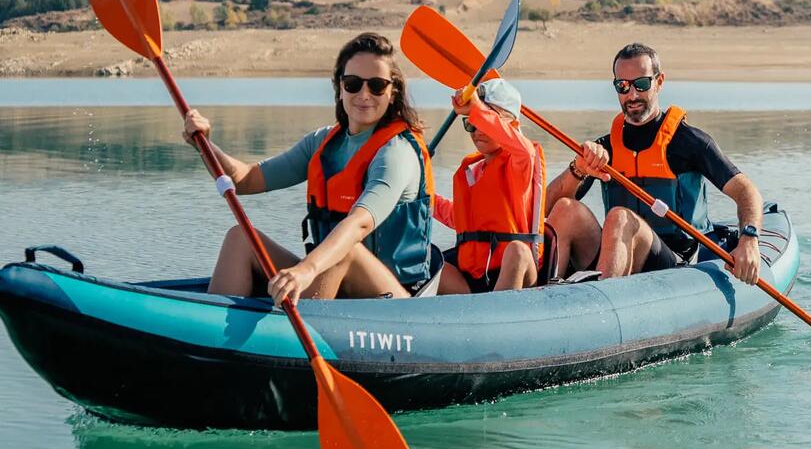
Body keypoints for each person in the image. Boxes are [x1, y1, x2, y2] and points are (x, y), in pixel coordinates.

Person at [184, 32, 436, 303]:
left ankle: (291, 332)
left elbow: (359, 224)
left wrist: (306, 270)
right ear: (339, 87)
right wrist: (205, 146)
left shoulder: (396, 153)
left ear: (392, 91)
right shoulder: (322, 143)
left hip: (394, 301)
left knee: (347, 250)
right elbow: (245, 179)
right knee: (240, 238)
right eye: (352, 84)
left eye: (376, 85)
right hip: (331, 283)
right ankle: (214, 333)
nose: (364, 95)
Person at [543, 43, 764, 284]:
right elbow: (545, 210)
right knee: (566, 209)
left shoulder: (689, 142)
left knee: (619, 217)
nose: (632, 95)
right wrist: (578, 169)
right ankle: (541, 299)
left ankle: (601, 305)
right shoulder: (605, 148)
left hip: (674, 261)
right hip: (617, 255)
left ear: (659, 82)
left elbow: (746, 191)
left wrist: (749, 239)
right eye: (623, 86)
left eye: (641, 84)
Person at [431, 77, 547, 294]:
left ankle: (496, 314)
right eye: (471, 124)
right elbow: (460, 218)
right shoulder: (471, 171)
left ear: (512, 126)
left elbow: (523, 149)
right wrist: (419, 194)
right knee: (427, 259)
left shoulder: (521, 161)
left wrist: (476, 109)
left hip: (516, 270)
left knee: (517, 251)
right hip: (472, 276)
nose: (478, 130)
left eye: (487, 120)